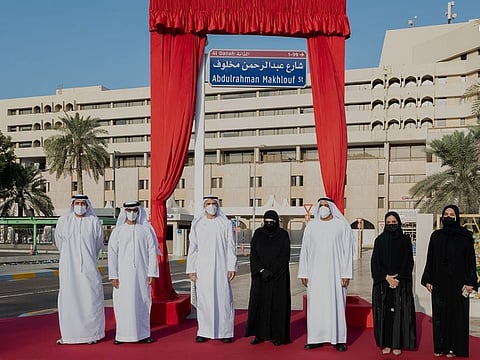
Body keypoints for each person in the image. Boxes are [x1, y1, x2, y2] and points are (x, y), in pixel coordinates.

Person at [298, 197, 355, 352]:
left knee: (335, 305)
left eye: (326, 205)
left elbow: (347, 251)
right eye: (321, 205)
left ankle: (338, 339)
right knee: (316, 306)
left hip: (336, 275)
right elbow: (305, 251)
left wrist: (346, 273)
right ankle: (316, 338)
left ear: (331, 207)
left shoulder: (341, 226)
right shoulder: (311, 227)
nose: (323, 208)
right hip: (315, 275)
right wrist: (304, 272)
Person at [421, 204, 478, 358]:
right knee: (440, 315)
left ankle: (455, 347)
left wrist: (470, 282)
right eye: (446, 213)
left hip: (459, 284)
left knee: (457, 316)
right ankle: (440, 347)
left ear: (457, 216)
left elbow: (470, 261)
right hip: (440, 283)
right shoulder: (436, 236)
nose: (448, 216)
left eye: (452, 214)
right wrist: (428, 279)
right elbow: (430, 259)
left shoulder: (465, 236)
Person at [55, 194, 105, 345]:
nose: (80, 205)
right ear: (72, 204)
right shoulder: (64, 221)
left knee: (90, 299)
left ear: (88, 205)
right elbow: (59, 243)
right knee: (69, 300)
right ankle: (69, 335)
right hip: (68, 268)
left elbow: (98, 244)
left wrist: (87, 257)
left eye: (83, 203)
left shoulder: (94, 222)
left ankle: (91, 335)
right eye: (77, 203)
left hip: (88, 268)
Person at [186, 195, 237, 343]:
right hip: (203, 268)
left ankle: (225, 332)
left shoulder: (225, 224)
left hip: (221, 268)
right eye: (208, 203)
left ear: (218, 205)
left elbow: (230, 247)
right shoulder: (197, 224)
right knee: (204, 300)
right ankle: (204, 331)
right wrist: (191, 269)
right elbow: (193, 248)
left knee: (224, 299)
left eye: (214, 203)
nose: (211, 206)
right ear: (204, 206)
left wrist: (231, 266)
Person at [108, 201, 160, 344]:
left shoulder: (146, 231)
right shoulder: (118, 231)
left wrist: (151, 273)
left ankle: (143, 334)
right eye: (129, 210)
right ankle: (122, 335)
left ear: (139, 212)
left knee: (142, 302)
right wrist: (113, 275)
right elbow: (112, 254)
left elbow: (152, 252)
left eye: (135, 210)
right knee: (123, 304)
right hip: (122, 276)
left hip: (142, 275)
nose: (132, 213)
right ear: (125, 212)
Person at [371, 211, 417, 356]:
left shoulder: (405, 240)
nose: (391, 225)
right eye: (388, 222)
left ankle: (397, 344)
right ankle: (386, 344)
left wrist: (397, 278)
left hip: (400, 283)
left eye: (394, 222)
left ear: (398, 223)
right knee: (385, 315)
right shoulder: (379, 240)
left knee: (399, 314)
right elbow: (375, 261)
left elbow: (408, 261)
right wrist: (386, 277)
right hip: (383, 284)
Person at [245, 210, 291, 346]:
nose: (269, 224)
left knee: (278, 306)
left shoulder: (283, 235)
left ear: (277, 222)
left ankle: (277, 336)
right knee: (259, 306)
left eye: (272, 222)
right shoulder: (258, 234)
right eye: (266, 222)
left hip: (278, 278)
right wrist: (261, 270)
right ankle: (260, 334)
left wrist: (272, 271)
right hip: (261, 278)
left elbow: (284, 256)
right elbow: (253, 253)